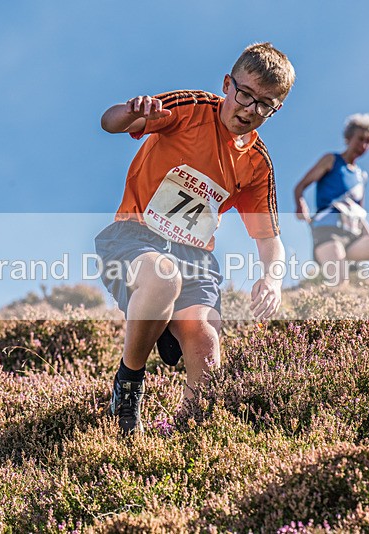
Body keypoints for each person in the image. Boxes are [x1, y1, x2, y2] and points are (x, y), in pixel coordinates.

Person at [95, 42, 295, 433]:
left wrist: (272, 279)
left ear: (276, 110)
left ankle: (186, 433)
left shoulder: (257, 164)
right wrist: (132, 112)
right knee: (163, 277)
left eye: (265, 105)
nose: (250, 110)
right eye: (245, 95)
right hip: (135, 237)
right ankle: (129, 382)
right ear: (227, 84)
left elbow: (270, 240)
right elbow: (110, 122)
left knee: (205, 342)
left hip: (196, 258)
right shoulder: (190, 109)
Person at [293, 113, 369, 285]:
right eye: (360, 139)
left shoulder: (361, 177)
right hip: (327, 231)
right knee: (340, 281)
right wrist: (300, 204)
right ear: (349, 137)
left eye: (368, 141)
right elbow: (300, 186)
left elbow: (359, 212)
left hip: (352, 235)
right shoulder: (331, 160)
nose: (363, 145)